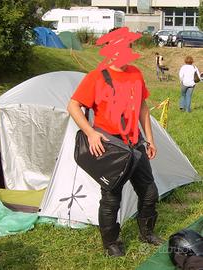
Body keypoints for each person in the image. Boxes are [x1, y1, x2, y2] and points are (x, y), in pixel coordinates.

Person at [67, 27, 163, 257]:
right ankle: (112, 243)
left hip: (136, 145)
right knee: (111, 199)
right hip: (111, 148)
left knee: (149, 192)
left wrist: (149, 139)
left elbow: (142, 107)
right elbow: (73, 106)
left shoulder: (136, 74)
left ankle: (147, 233)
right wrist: (90, 133)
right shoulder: (95, 77)